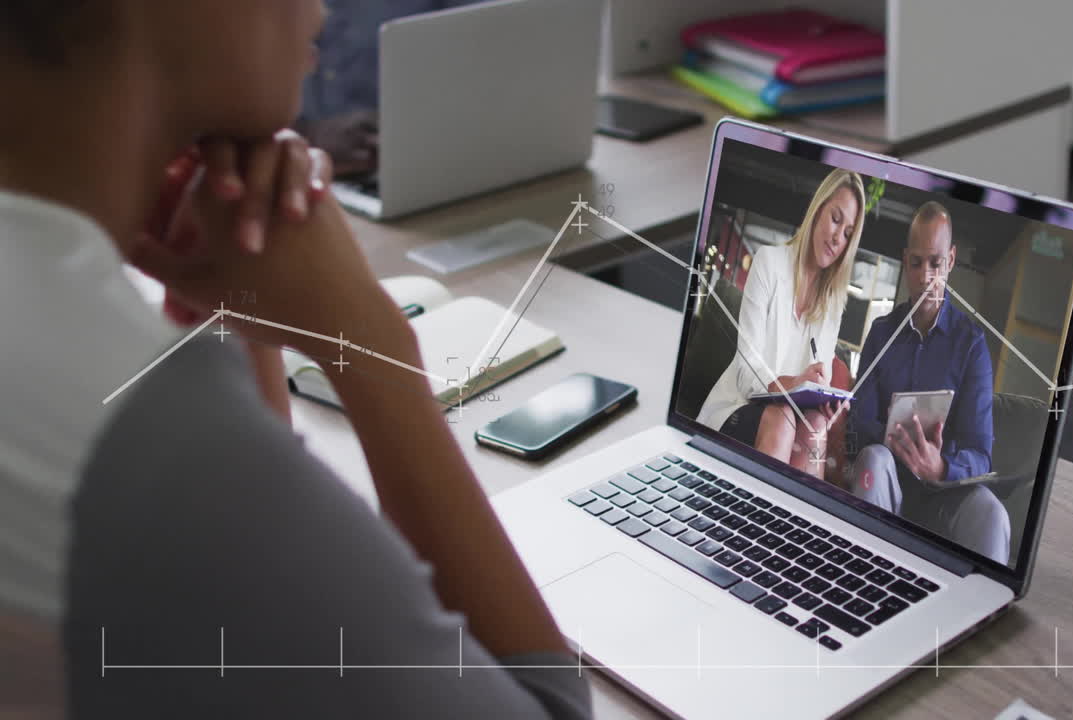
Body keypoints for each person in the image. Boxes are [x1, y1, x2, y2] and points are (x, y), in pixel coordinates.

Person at [0, 1, 589, 717]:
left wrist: (239, 304)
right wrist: (371, 345)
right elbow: (547, 708)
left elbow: (258, 599)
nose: (320, 7)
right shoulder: (150, 435)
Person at [837, 201, 1011, 563]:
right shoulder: (881, 333)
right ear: (905, 261)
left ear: (951, 260)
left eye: (935, 263)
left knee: (992, 514)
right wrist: (894, 439)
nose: (925, 276)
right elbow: (856, 423)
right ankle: (861, 578)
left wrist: (941, 467)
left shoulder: (972, 344)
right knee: (873, 459)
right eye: (916, 263)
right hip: (886, 479)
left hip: (943, 495)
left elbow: (980, 454)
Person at [697, 169, 865, 475]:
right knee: (782, 418)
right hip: (738, 405)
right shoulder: (769, 263)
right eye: (835, 219)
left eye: (848, 233)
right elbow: (747, 374)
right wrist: (796, 383)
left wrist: (825, 403)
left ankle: (796, 509)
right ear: (817, 209)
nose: (837, 238)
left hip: (790, 417)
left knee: (816, 426)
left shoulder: (833, 304)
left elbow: (819, 381)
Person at [298, 0, 480, 176]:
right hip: (304, 167)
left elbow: (481, 61)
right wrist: (309, 137)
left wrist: (402, 127)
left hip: (415, 163)